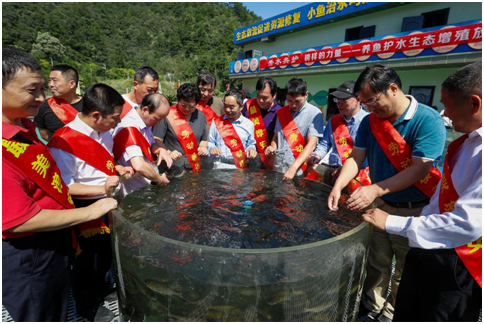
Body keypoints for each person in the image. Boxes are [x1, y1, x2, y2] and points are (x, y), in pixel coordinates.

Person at [2, 47, 117, 322]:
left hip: (56, 243)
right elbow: (16, 220)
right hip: (31, 254)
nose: (42, 98)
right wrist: (91, 211)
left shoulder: (23, 129)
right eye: (33, 90)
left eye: (44, 88)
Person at [362, 62, 482, 321]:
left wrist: (394, 221)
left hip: (461, 259)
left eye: (448, 105)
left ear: (475, 104)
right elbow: (442, 197)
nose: (445, 114)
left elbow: (467, 223)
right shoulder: (467, 142)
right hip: (428, 235)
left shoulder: (431, 122)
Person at [327, 65, 446, 322]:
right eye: (365, 103)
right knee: (377, 264)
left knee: (404, 268)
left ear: (393, 89)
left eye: (372, 101)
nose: (370, 108)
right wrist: (338, 186)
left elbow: (419, 170)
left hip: (416, 210)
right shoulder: (371, 122)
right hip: (380, 206)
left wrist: (375, 188)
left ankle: (392, 313)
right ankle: (371, 309)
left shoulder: (428, 120)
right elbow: (356, 157)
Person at [47, 83, 133, 321]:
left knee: (105, 255)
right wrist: (101, 188)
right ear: (96, 115)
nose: (117, 123)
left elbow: (102, 164)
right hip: (84, 209)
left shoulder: (103, 131)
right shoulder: (63, 141)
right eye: (114, 118)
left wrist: (117, 167)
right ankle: (88, 310)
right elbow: (65, 186)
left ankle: (105, 293)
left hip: (107, 203)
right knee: (86, 263)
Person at [307, 81, 370, 191]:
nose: (339, 103)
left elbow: (369, 153)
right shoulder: (333, 120)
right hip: (332, 173)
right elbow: (324, 144)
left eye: (344, 99)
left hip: (357, 175)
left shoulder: (369, 121)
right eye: (337, 99)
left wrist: (347, 168)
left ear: (358, 99)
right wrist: (317, 155)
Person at [113, 93, 173, 199]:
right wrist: (159, 179)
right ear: (145, 109)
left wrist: (161, 150)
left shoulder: (145, 121)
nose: (158, 123)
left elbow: (150, 144)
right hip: (132, 191)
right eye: (157, 118)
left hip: (145, 184)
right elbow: (139, 165)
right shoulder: (129, 128)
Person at [265, 77, 325, 180]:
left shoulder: (315, 114)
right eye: (289, 100)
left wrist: (293, 167)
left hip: (298, 169)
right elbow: (276, 137)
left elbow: (312, 144)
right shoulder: (282, 112)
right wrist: (272, 147)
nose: (293, 105)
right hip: (279, 166)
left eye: (297, 101)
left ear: (306, 94)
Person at [153, 83, 209, 177]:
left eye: (191, 106)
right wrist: (168, 152)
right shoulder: (167, 114)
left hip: (194, 168)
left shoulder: (201, 116)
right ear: (178, 100)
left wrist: (203, 147)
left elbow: (204, 139)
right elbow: (156, 139)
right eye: (183, 105)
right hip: (172, 169)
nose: (187, 109)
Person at [208, 89, 257, 169]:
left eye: (231, 107)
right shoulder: (216, 122)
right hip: (219, 166)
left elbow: (251, 143)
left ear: (241, 107)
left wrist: (251, 149)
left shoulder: (249, 124)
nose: (227, 110)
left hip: (239, 167)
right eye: (225, 106)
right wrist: (212, 148)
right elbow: (211, 142)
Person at [241, 77, 282, 170]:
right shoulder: (249, 106)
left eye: (265, 98)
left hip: (269, 161)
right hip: (248, 158)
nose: (260, 100)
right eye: (258, 96)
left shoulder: (279, 112)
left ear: (274, 95)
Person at [34, 64, 83, 141]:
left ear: (72, 84)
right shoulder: (44, 106)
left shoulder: (90, 105)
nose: (50, 85)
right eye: (49, 80)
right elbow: (43, 133)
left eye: (55, 80)